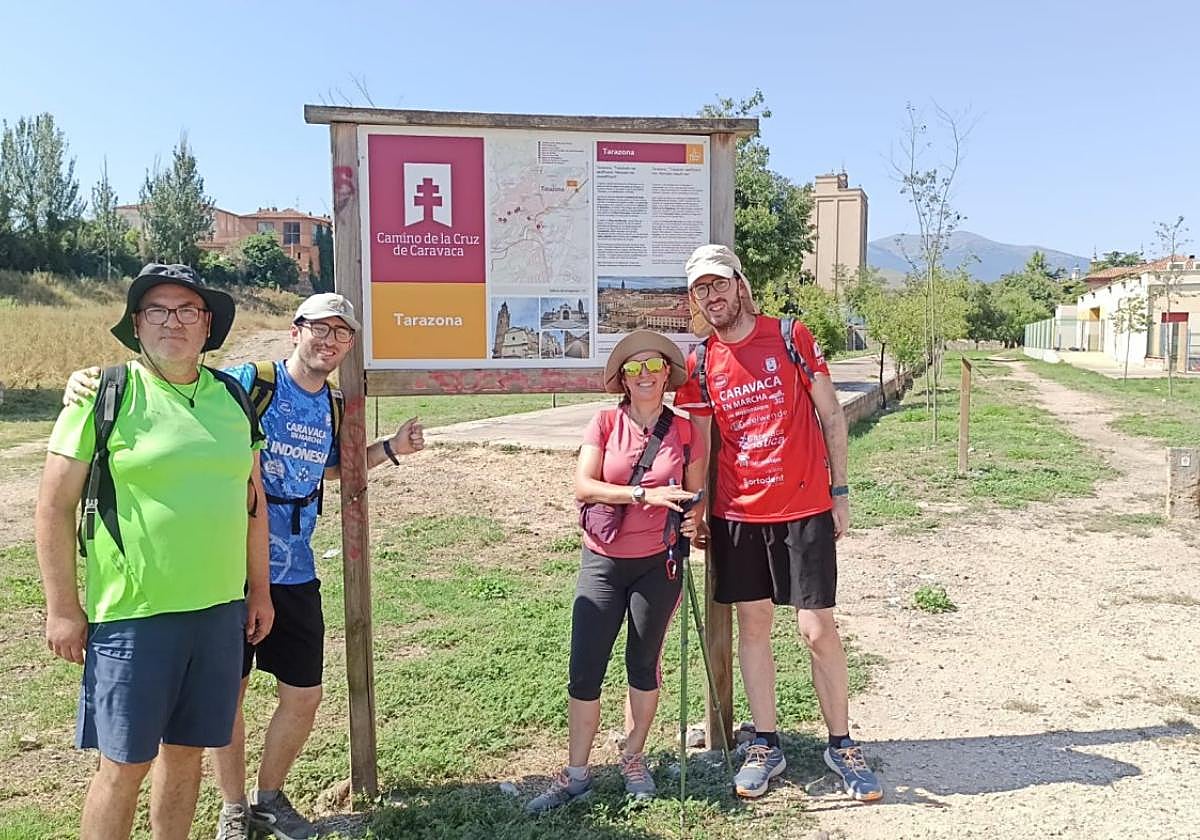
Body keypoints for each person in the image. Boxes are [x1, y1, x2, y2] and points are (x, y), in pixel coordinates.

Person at [64, 292, 425, 840]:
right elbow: (176, 378)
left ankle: (269, 798)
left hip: (295, 571)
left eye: (341, 334)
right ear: (294, 331)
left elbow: (330, 468)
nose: (328, 341)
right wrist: (84, 381)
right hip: (226, 570)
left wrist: (390, 449)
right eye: (318, 329)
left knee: (303, 694)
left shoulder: (332, 404)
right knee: (225, 698)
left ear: (349, 346)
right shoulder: (247, 382)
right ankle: (233, 810)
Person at [36, 263, 273, 840]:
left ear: (206, 324)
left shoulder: (232, 397)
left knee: (188, 753)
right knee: (122, 766)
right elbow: (52, 506)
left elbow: (253, 502)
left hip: (218, 611)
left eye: (187, 310)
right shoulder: (103, 394)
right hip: (133, 616)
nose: (173, 321)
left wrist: (258, 590)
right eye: (157, 311)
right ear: (136, 325)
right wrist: (63, 608)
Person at [673, 244, 884, 803]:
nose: (712, 297)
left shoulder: (791, 335)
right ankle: (766, 743)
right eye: (701, 289)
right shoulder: (699, 362)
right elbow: (699, 443)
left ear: (740, 284)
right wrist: (696, 506)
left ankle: (841, 744)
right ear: (694, 299)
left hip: (804, 507)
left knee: (817, 629)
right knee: (754, 627)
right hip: (738, 514)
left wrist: (840, 490)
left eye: (719, 284)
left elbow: (831, 413)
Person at [526, 330, 706, 814]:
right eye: (634, 368)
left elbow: (695, 494)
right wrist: (642, 495)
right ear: (622, 379)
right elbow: (584, 485)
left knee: (643, 666)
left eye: (653, 366)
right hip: (603, 562)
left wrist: (695, 516)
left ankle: (633, 757)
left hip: (659, 563)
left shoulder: (687, 430)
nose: (645, 375)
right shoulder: (605, 421)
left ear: (668, 373)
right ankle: (577, 773)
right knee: (585, 671)